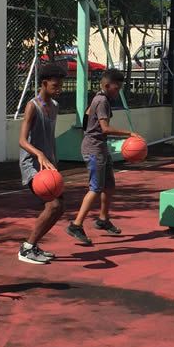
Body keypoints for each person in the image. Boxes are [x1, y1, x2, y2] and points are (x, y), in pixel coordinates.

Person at [67, 69, 136, 246]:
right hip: (94, 149)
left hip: (100, 147)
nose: (118, 91)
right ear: (107, 85)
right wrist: (129, 133)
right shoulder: (102, 100)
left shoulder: (98, 98)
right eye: (117, 88)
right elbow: (105, 128)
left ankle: (103, 219)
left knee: (109, 186)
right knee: (96, 188)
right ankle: (76, 225)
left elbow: (86, 121)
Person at [18, 62, 69, 264]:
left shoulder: (54, 106)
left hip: (48, 165)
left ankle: (34, 245)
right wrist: (39, 154)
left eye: (61, 86)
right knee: (53, 205)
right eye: (55, 86)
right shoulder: (33, 106)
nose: (59, 90)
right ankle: (26, 248)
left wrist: (50, 159)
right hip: (32, 165)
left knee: (60, 207)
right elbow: (21, 140)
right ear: (45, 83)